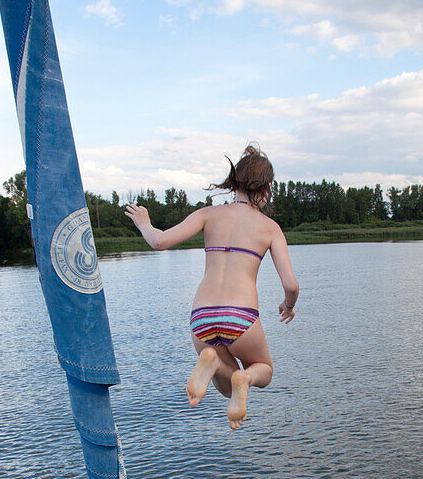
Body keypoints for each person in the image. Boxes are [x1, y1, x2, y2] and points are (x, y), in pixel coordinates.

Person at [125, 144, 299, 430]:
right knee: (264, 371)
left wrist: (144, 223)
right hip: (240, 316)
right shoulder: (269, 227)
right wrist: (288, 306)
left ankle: (214, 361)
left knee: (228, 386)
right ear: (265, 188)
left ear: (235, 182)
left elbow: (159, 241)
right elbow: (291, 285)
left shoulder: (208, 214)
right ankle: (244, 376)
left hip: (201, 316)